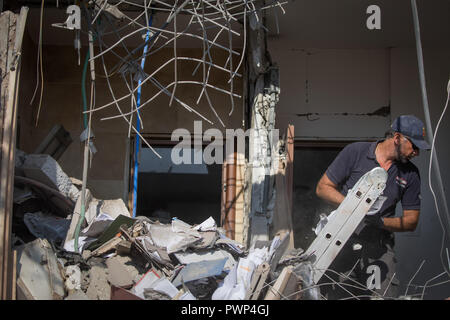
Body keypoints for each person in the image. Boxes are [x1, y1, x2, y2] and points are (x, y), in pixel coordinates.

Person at [315, 115, 430, 300]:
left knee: (380, 296)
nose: (416, 153)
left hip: (379, 247)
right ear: (398, 138)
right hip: (342, 242)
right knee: (335, 294)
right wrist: (354, 207)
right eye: (414, 146)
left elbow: (411, 221)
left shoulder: (411, 174)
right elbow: (323, 188)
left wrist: (379, 221)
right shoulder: (356, 152)